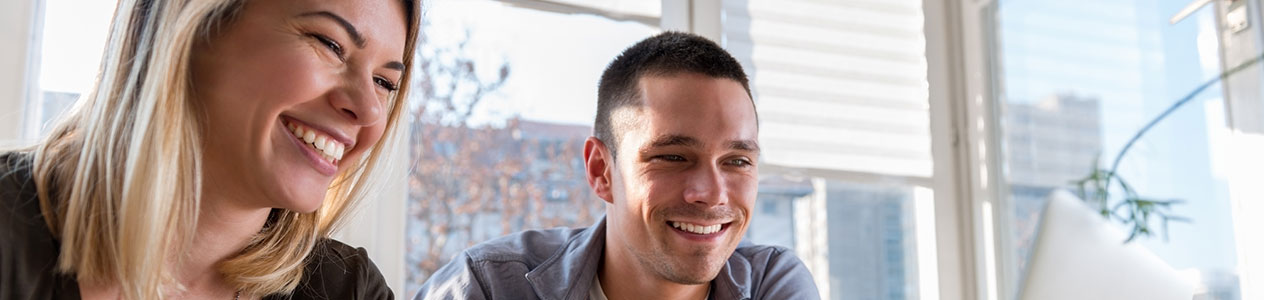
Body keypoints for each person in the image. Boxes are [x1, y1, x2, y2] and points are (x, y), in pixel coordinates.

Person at [0, 0, 419, 298]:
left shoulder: (349, 290)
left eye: (385, 83)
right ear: (192, 24)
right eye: (329, 44)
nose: (366, 109)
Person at [415, 32, 819, 300]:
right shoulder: (490, 286)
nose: (712, 192)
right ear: (600, 171)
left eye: (737, 161)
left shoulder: (772, 284)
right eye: (673, 157)